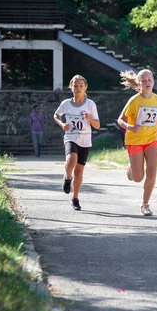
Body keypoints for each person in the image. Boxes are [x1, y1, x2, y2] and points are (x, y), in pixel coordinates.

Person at [117, 69, 157, 216]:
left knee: (152, 171)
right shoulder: (134, 101)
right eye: (144, 80)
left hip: (152, 139)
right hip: (135, 140)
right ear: (138, 83)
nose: (147, 82)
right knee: (138, 178)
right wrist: (130, 127)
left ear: (153, 82)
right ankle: (131, 169)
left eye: (149, 80)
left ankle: (145, 204)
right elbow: (120, 120)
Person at [54, 75, 101, 211]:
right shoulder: (66, 104)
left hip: (85, 141)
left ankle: (75, 198)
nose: (78, 88)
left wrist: (89, 118)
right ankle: (68, 178)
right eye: (75, 85)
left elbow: (97, 125)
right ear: (71, 87)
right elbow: (56, 115)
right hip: (70, 137)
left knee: (79, 171)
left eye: (81, 85)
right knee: (71, 160)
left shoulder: (90, 104)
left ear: (85, 87)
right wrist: (62, 124)